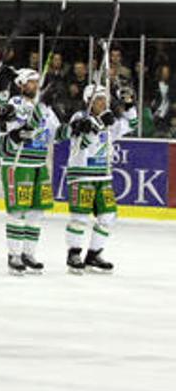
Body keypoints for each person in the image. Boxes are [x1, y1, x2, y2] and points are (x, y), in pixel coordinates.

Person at [0, 68, 66, 274]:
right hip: (18, 163)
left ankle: (28, 253)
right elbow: (22, 128)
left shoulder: (46, 108)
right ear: (21, 84)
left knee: (37, 212)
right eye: (31, 81)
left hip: (39, 164)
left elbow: (56, 134)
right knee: (17, 211)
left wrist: (73, 128)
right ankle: (14, 255)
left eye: (37, 81)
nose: (35, 85)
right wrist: (40, 107)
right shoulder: (15, 103)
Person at [64, 84, 137, 273]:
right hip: (82, 174)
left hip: (103, 175)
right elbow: (81, 143)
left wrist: (129, 105)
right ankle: (74, 253)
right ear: (88, 101)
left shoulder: (108, 119)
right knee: (80, 217)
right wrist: (98, 124)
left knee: (108, 216)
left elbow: (131, 125)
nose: (103, 103)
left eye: (105, 99)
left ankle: (93, 255)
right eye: (98, 99)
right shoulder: (80, 117)